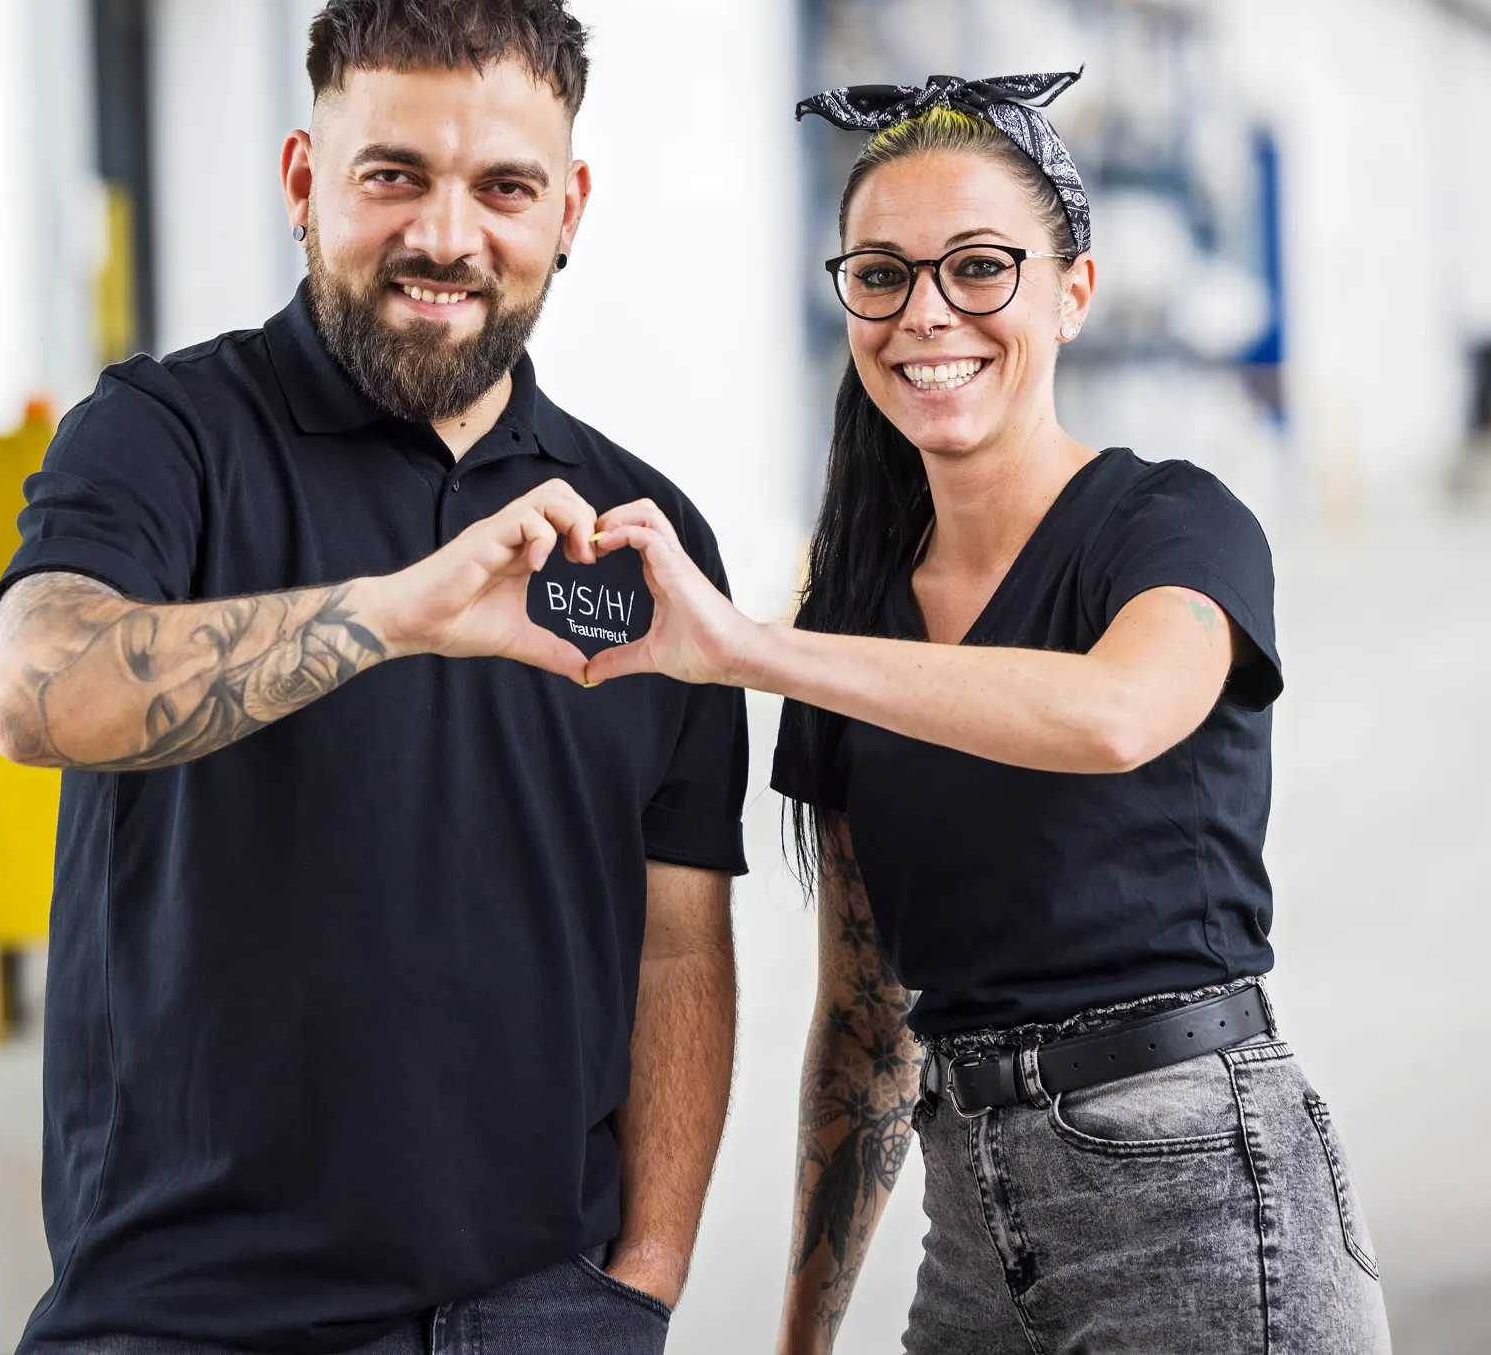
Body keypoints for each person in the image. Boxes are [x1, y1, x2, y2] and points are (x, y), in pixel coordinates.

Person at [0, 0, 748, 1355]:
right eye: (393, 174)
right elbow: (38, 692)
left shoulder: (644, 536)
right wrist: (395, 614)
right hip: (192, 1321)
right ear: (302, 182)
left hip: (539, 1318)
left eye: (504, 188)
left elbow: (679, 943)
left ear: (567, 210)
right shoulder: (166, 437)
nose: (447, 236)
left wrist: (642, 1281)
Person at [580, 73, 1391, 1353]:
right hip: (974, 1233)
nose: (925, 314)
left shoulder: (1171, 526)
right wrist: (802, 1334)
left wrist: (752, 651)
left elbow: (1118, 713)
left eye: (977, 268)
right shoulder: (848, 608)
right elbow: (865, 1020)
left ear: (1071, 292)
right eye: (882, 275)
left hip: (1201, 1201)